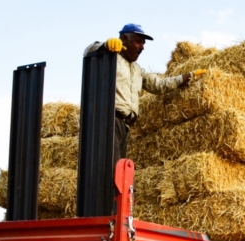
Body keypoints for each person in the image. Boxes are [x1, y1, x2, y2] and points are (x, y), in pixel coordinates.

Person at [84, 24, 207, 164]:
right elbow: (88, 51)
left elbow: (159, 85)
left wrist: (188, 76)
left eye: (143, 43)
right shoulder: (110, 58)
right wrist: (106, 45)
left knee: (121, 169)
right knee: (112, 170)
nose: (142, 47)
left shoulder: (137, 70)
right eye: (138, 41)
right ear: (124, 39)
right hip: (110, 120)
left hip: (125, 126)